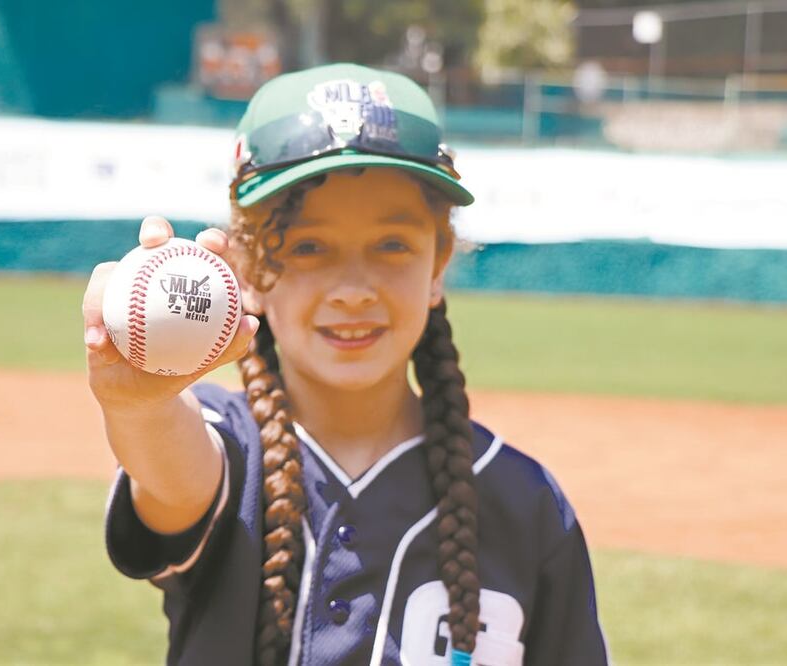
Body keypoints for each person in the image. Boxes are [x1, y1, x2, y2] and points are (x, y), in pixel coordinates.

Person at [82, 63, 609, 666]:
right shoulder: (229, 446)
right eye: (308, 247)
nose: (354, 289)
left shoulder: (525, 501)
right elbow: (171, 469)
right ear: (249, 273)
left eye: (392, 245)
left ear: (438, 267)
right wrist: (140, 402)